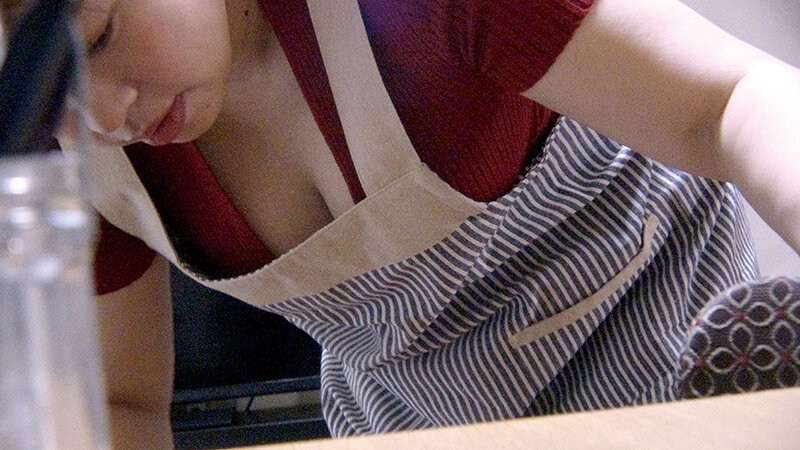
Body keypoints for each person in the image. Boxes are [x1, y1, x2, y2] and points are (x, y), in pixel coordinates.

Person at [3, 0, 800, 448]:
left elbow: (728, 103)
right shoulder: (63, 152)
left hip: (666, 354)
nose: (100, 116)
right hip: (417, 425)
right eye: (38, 85)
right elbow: (120, 403)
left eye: (100, 37)